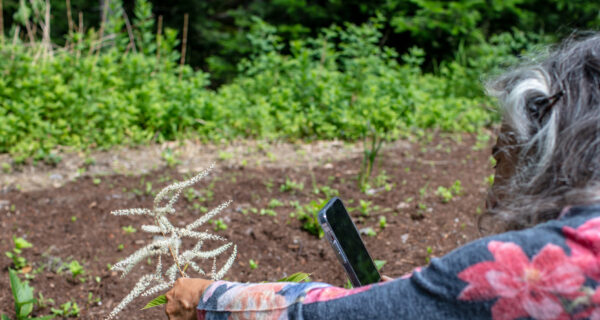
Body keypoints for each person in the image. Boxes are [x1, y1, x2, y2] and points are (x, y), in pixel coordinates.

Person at [165, 34, 600, 320]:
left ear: (540, 154)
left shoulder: (544, 264)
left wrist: (206, 299)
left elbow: (332, 317)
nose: (492, 160)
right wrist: (418, 296)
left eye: (502, 149)